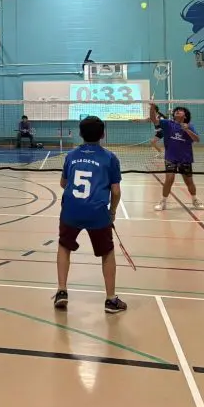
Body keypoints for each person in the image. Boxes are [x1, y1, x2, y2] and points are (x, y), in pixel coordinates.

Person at [54, 115, 127, 314]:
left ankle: (61, 291)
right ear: (103, 134)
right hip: (97, 211)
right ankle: (110, 300)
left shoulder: (71, 156)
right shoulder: (110, 158)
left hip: (71, 210)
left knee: (64, 246)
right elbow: (116, 191)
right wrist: (112, 212)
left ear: (80, 133)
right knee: (107, 252)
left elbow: (63, 183)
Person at [150, 104, 202, 211]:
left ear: (185, 116)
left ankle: (195, 200)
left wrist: (187, 130)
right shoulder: (168, 124)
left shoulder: (189, 126)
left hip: (185, 158)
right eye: (176, 110)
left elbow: (197, 139)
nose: (177, 111)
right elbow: (153, 119)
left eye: (180, 110)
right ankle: (163, 202)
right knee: (169, 179)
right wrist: (152, 108)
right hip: (170, 157)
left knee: (189, 181)